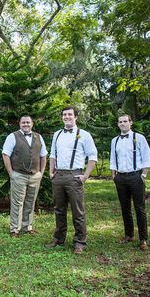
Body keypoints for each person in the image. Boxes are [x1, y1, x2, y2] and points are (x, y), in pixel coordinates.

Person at [46, 106, 98, 254]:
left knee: (78, 211)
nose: (66, 117)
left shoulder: (84, 135)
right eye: (64, 114)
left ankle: (80, 242)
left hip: (75, 176)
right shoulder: (57, 134)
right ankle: (58, 238)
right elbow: (52, 154)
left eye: (69, 114)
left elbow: (93, 156)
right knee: (59, 209)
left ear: (76, 117)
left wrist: (86, 176)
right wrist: (51, 172)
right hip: (58, 176)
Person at [110, 114, 150, 251]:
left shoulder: (139, 138)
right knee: (125, 207)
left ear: (130, 123)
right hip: (120, 178)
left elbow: (147, 156)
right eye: (120, 122)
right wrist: (114, 175)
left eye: (125, 121)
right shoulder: (114, 140)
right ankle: (129, 234)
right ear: (118, 124)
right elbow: (113, 158)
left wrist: (143, 175)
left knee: (139, 208)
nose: (122, 124)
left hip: (136, 176)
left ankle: (143, 239)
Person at [2, 115, 47, 237]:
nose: (26, 124)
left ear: (32, 124)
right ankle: (14, 229)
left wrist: (41, 172)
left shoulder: (38, 137)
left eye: (28, 122)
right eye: (23, 122)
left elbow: (43, 156)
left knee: (30, 201)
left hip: (35, 176)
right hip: (19, 175)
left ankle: (27, 226)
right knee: (17, 203)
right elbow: (5, 155)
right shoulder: (13, 136)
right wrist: (11, 173)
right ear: (19, 124)